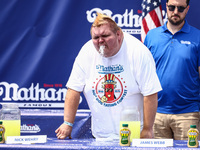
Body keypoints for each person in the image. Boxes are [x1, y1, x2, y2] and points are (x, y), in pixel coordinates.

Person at [55, 13, 162, 140]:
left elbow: (150, 93)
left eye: (105, 36)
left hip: (134, 135)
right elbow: (73, 89)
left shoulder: (138, 52)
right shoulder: (87, 51)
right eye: (96, 37)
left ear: (118, 35)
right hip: (100, 136)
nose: (100, 41)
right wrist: (67, 123)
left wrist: (147, 129)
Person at [144, 0, 200, 140]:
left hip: (188, 114)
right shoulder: (151, 36)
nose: (175, 11)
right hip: (155, 114)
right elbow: (143, 74)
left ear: (187, 9)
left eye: (180, 8)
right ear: (167, 7)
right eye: (172, 7)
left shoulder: (198, 37)